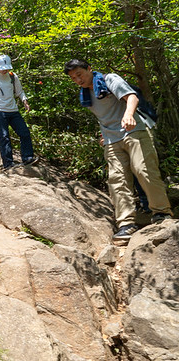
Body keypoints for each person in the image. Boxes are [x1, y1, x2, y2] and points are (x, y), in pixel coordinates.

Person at [64, 59, 173, 244]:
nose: (77, 80)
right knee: (117, 179)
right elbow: (104, 116)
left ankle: (161, 212)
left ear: (89, 69)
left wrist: (129, 115)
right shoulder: (85, 93)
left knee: (143, 169)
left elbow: (132, 97)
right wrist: (103, 134)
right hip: (111, 139)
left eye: (79, 74)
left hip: (134, 130)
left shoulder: (109, 80)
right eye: (73, 78)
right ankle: (126, 223)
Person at [0, 55, 38, 169]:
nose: (5, 70)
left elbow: (19, 91)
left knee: (24, 132)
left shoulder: (12, 76)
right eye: (3, 67)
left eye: (7, 67)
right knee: (4, 136)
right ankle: (8, 163)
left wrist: (24, 101)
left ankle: (27, 158)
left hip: (13, 109)